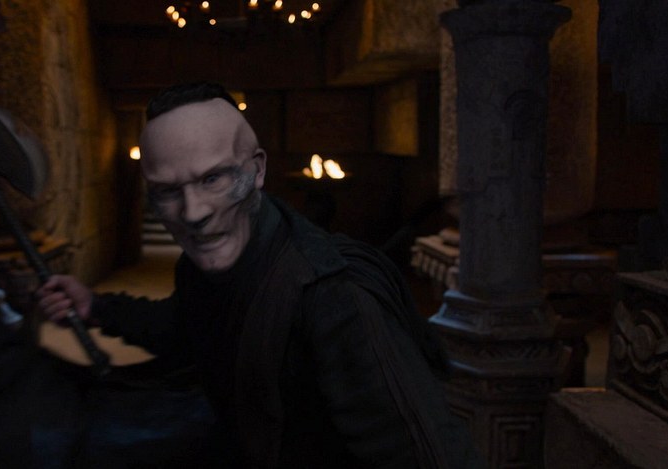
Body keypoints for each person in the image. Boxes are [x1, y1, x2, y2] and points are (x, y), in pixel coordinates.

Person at [36, 82, 483, 468]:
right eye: (168, 191)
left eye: (213, 179)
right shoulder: (204, 263)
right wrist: (96, 306)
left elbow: (426, 454)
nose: (193, 213)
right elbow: (183, 328)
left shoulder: (332, 294)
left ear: (257, 170)